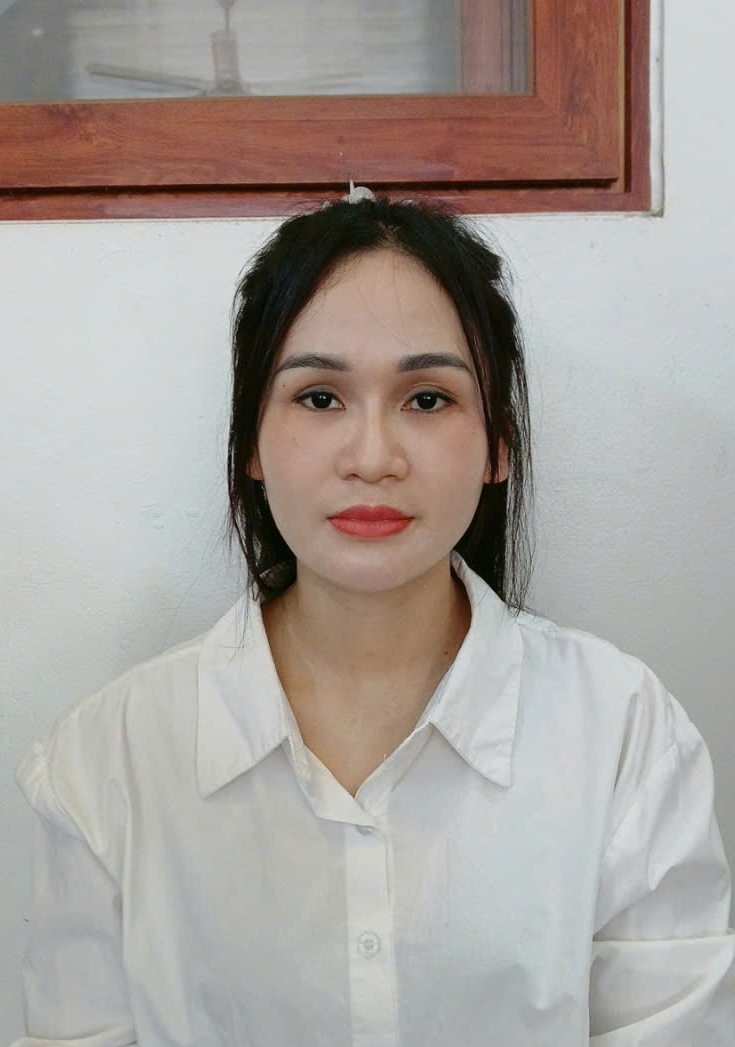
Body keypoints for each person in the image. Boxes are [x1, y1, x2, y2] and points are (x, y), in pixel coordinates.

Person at [11, 188, 734, 1046]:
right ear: (250, 441)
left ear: (498, 445)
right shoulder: (107, 764)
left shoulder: (622, 734)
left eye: (426, 399)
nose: (372, 457)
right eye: (320, 397)